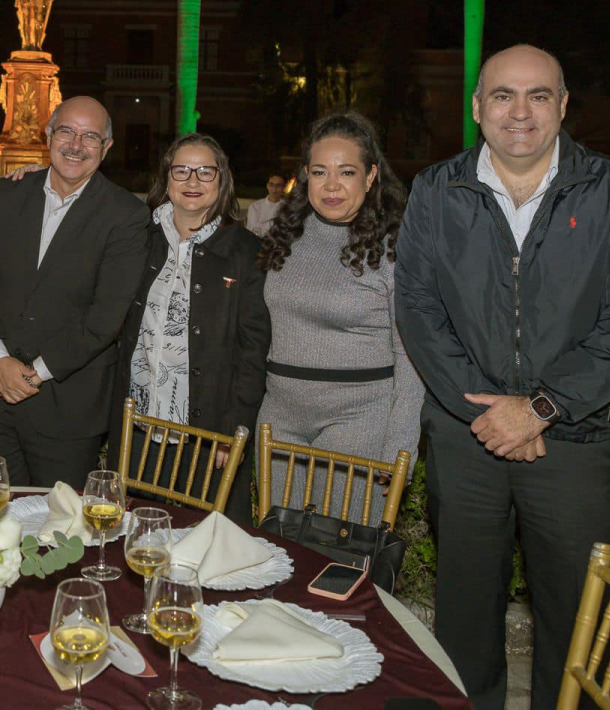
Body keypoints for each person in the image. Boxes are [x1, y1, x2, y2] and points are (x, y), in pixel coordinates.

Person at [394, 45, 610, 710]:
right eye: (503, 95)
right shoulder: (435, 189)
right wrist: (491, 414)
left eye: (538, 95)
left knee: (579, 624)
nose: (520, 111)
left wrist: (541, 407)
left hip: (578, 439)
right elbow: (420, 311)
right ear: (477, 107)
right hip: (468, 438)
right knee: (463, 617)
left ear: (563, 105)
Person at [256, 111, 421, 528]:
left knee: (338, 552)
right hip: (279, 416)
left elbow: (411, 356)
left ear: (370, 176)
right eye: (319, 172)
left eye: (346, 172)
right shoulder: (285, 235)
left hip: (358, 421)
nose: (331, 185)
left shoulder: (395, 248)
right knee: (276, 545)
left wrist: (401, 446)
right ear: (305, 176)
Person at [0, 96, 149, 489]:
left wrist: (35, 373)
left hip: (69, 407)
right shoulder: (6, 194)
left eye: (90, 137)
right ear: (49, 136)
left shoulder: (127, 215)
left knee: (60, 521)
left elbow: (106, 318)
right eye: (67, 131)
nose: (76, 145)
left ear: (106, 147)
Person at [111, 133, 269, 525]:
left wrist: (235, 429)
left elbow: (253, 351)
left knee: (202, 542)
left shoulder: (247, 252)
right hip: (138, 427)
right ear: (166, 177)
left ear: (222, 179)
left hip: (206, 435)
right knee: (134, 535)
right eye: (181, 170)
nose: (193, 181)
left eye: (205, 171)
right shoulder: (138, 237)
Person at [244, 172, 287, 237]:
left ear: (283, 187)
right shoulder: (255, 206)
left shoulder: (287, 207)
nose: (274, 189)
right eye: (271, 185)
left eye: (278, 185)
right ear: (267, 186)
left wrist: (263, 225)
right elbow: (252, 230)